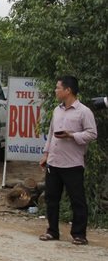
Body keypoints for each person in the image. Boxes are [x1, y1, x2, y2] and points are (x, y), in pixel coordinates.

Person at [38, 75, 97, 245]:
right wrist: (46, 154)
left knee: (77, 199)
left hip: (72, 163)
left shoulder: (84, 111)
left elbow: (92, 133)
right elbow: (51, 133)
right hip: (54, 162)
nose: (55, 91)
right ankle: (52, 231)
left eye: (58, 88)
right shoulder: (57, 110)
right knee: (51, 198)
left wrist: (71, 135)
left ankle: (79, 234)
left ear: (68, 90)